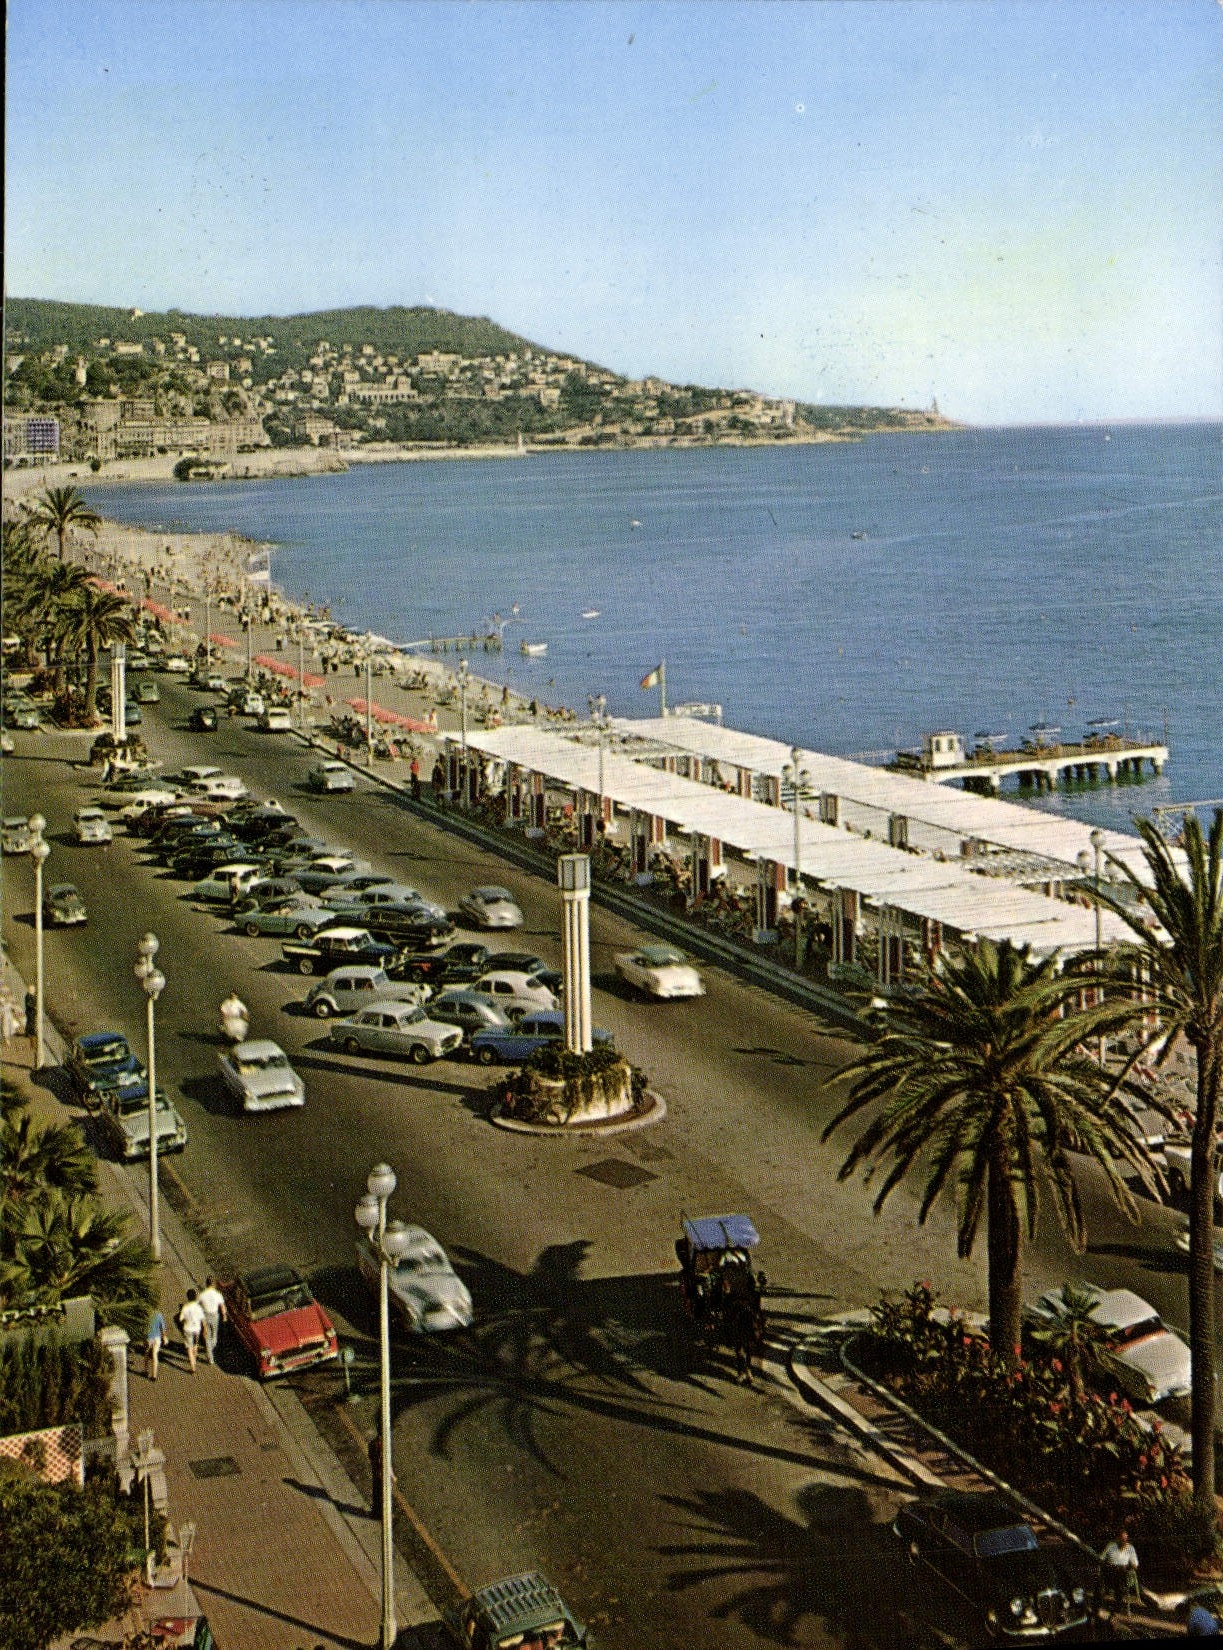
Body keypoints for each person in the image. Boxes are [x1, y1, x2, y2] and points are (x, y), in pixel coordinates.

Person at [1099, 1528, 1140, 1613]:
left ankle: (1118, 1603)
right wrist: (1107, 1564)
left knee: (1120, 1577)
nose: (1124, 1541)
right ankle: (1117, 1602)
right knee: (1113, 1576)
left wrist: (1129, 1566)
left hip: (1124, 1572)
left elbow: (1135, 1564)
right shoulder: (1111, 1546)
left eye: (1125, 1539)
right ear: (1117, 1538)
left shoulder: (1130, 1548)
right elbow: (1101, 1558)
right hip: (1110, 1571)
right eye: (1122, 1539)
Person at [198, 1275, 228, 1365]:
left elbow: (197, 1305)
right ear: (214, 1284)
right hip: (215, 1316)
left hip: (205, 1316)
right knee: (214, 1335)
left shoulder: (202, 1294)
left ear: (206, 1284)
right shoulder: (218, 1294)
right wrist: (224, 1316)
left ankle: (210, 1356)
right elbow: (222, 1307)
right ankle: (211, 1351)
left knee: (207, 1336)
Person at [178, 1288, 206, 1374]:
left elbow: (180, 1319)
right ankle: (194, 1360)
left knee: (189, 1348)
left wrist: (185, 1321)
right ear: (195, 1297)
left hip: (188, 1329)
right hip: (197, 1329)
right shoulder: (199, 1307)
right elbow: (203, 1320)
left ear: (187, 1297)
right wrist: (205, 1329)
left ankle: (193, 1367)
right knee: (195, 1345)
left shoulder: (185, 1307)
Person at [144, 1306, 168, 1380]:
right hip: (157, 1338)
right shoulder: (159, 1315)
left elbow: (144, 1327)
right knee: (155, 1355)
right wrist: (164, 1337)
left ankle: (146, 1370)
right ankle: (154, 1375)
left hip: (148, 1337)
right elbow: (163, 1328)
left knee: (147, 1353)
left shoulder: (146, 1315)